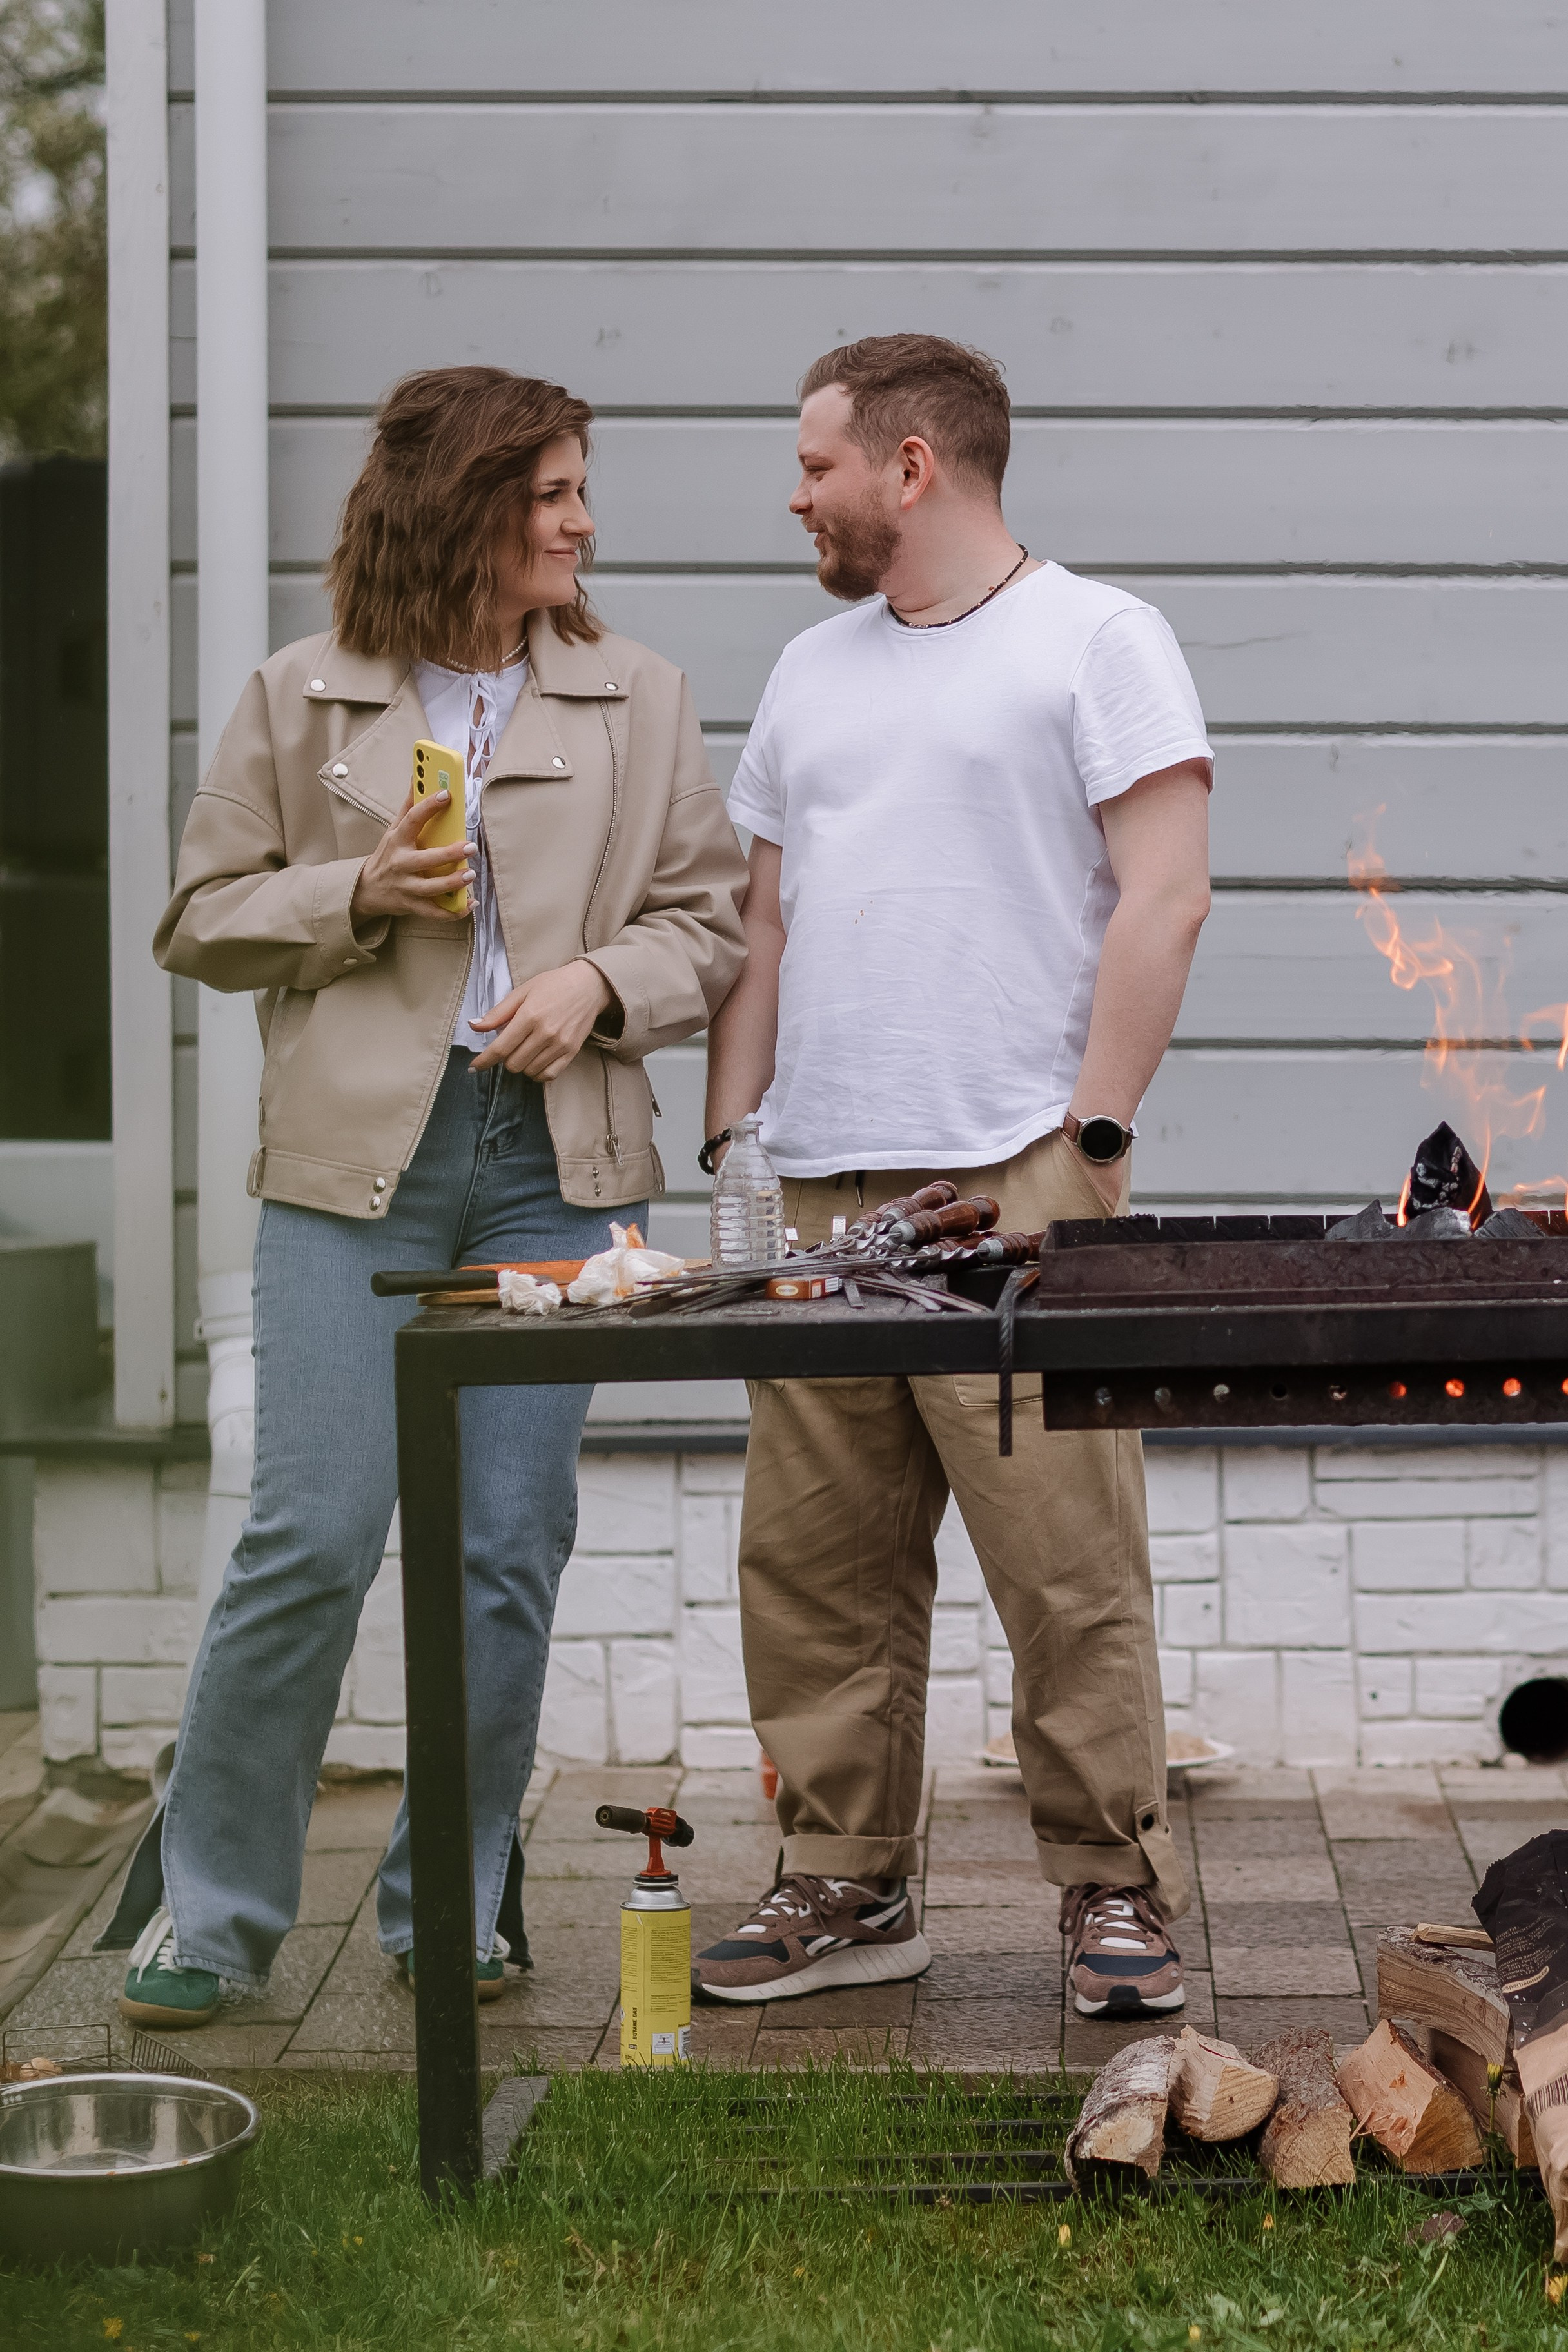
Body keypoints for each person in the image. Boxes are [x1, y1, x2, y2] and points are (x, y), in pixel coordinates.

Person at [103, 366, 747, 2025]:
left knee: (503, 1550)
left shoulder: (642, 697)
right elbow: (195, 915)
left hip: (554, 1170)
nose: (582, 521)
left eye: (578, 490)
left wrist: (597, 985)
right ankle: (211, 1908)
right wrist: (351, 891)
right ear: (461, 506)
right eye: (550, 493)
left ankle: (451, 1902)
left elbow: (710, 928)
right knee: (308, 1538)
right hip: (348, 1175)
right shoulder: (302, 695)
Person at [692, 334, 1211, 2020]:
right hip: (827, 1189)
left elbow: (1166, 895)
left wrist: (1097, 1144)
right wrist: (731, 1144)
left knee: (1066, 1563)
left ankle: (1111, 1887)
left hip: (1019, 1176)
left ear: (913, 465)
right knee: (816, 1558)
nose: (798, 493)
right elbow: (762, 928)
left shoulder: (1098, 641)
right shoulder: (809, 670)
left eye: (817, 463)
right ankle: (849, 1883)